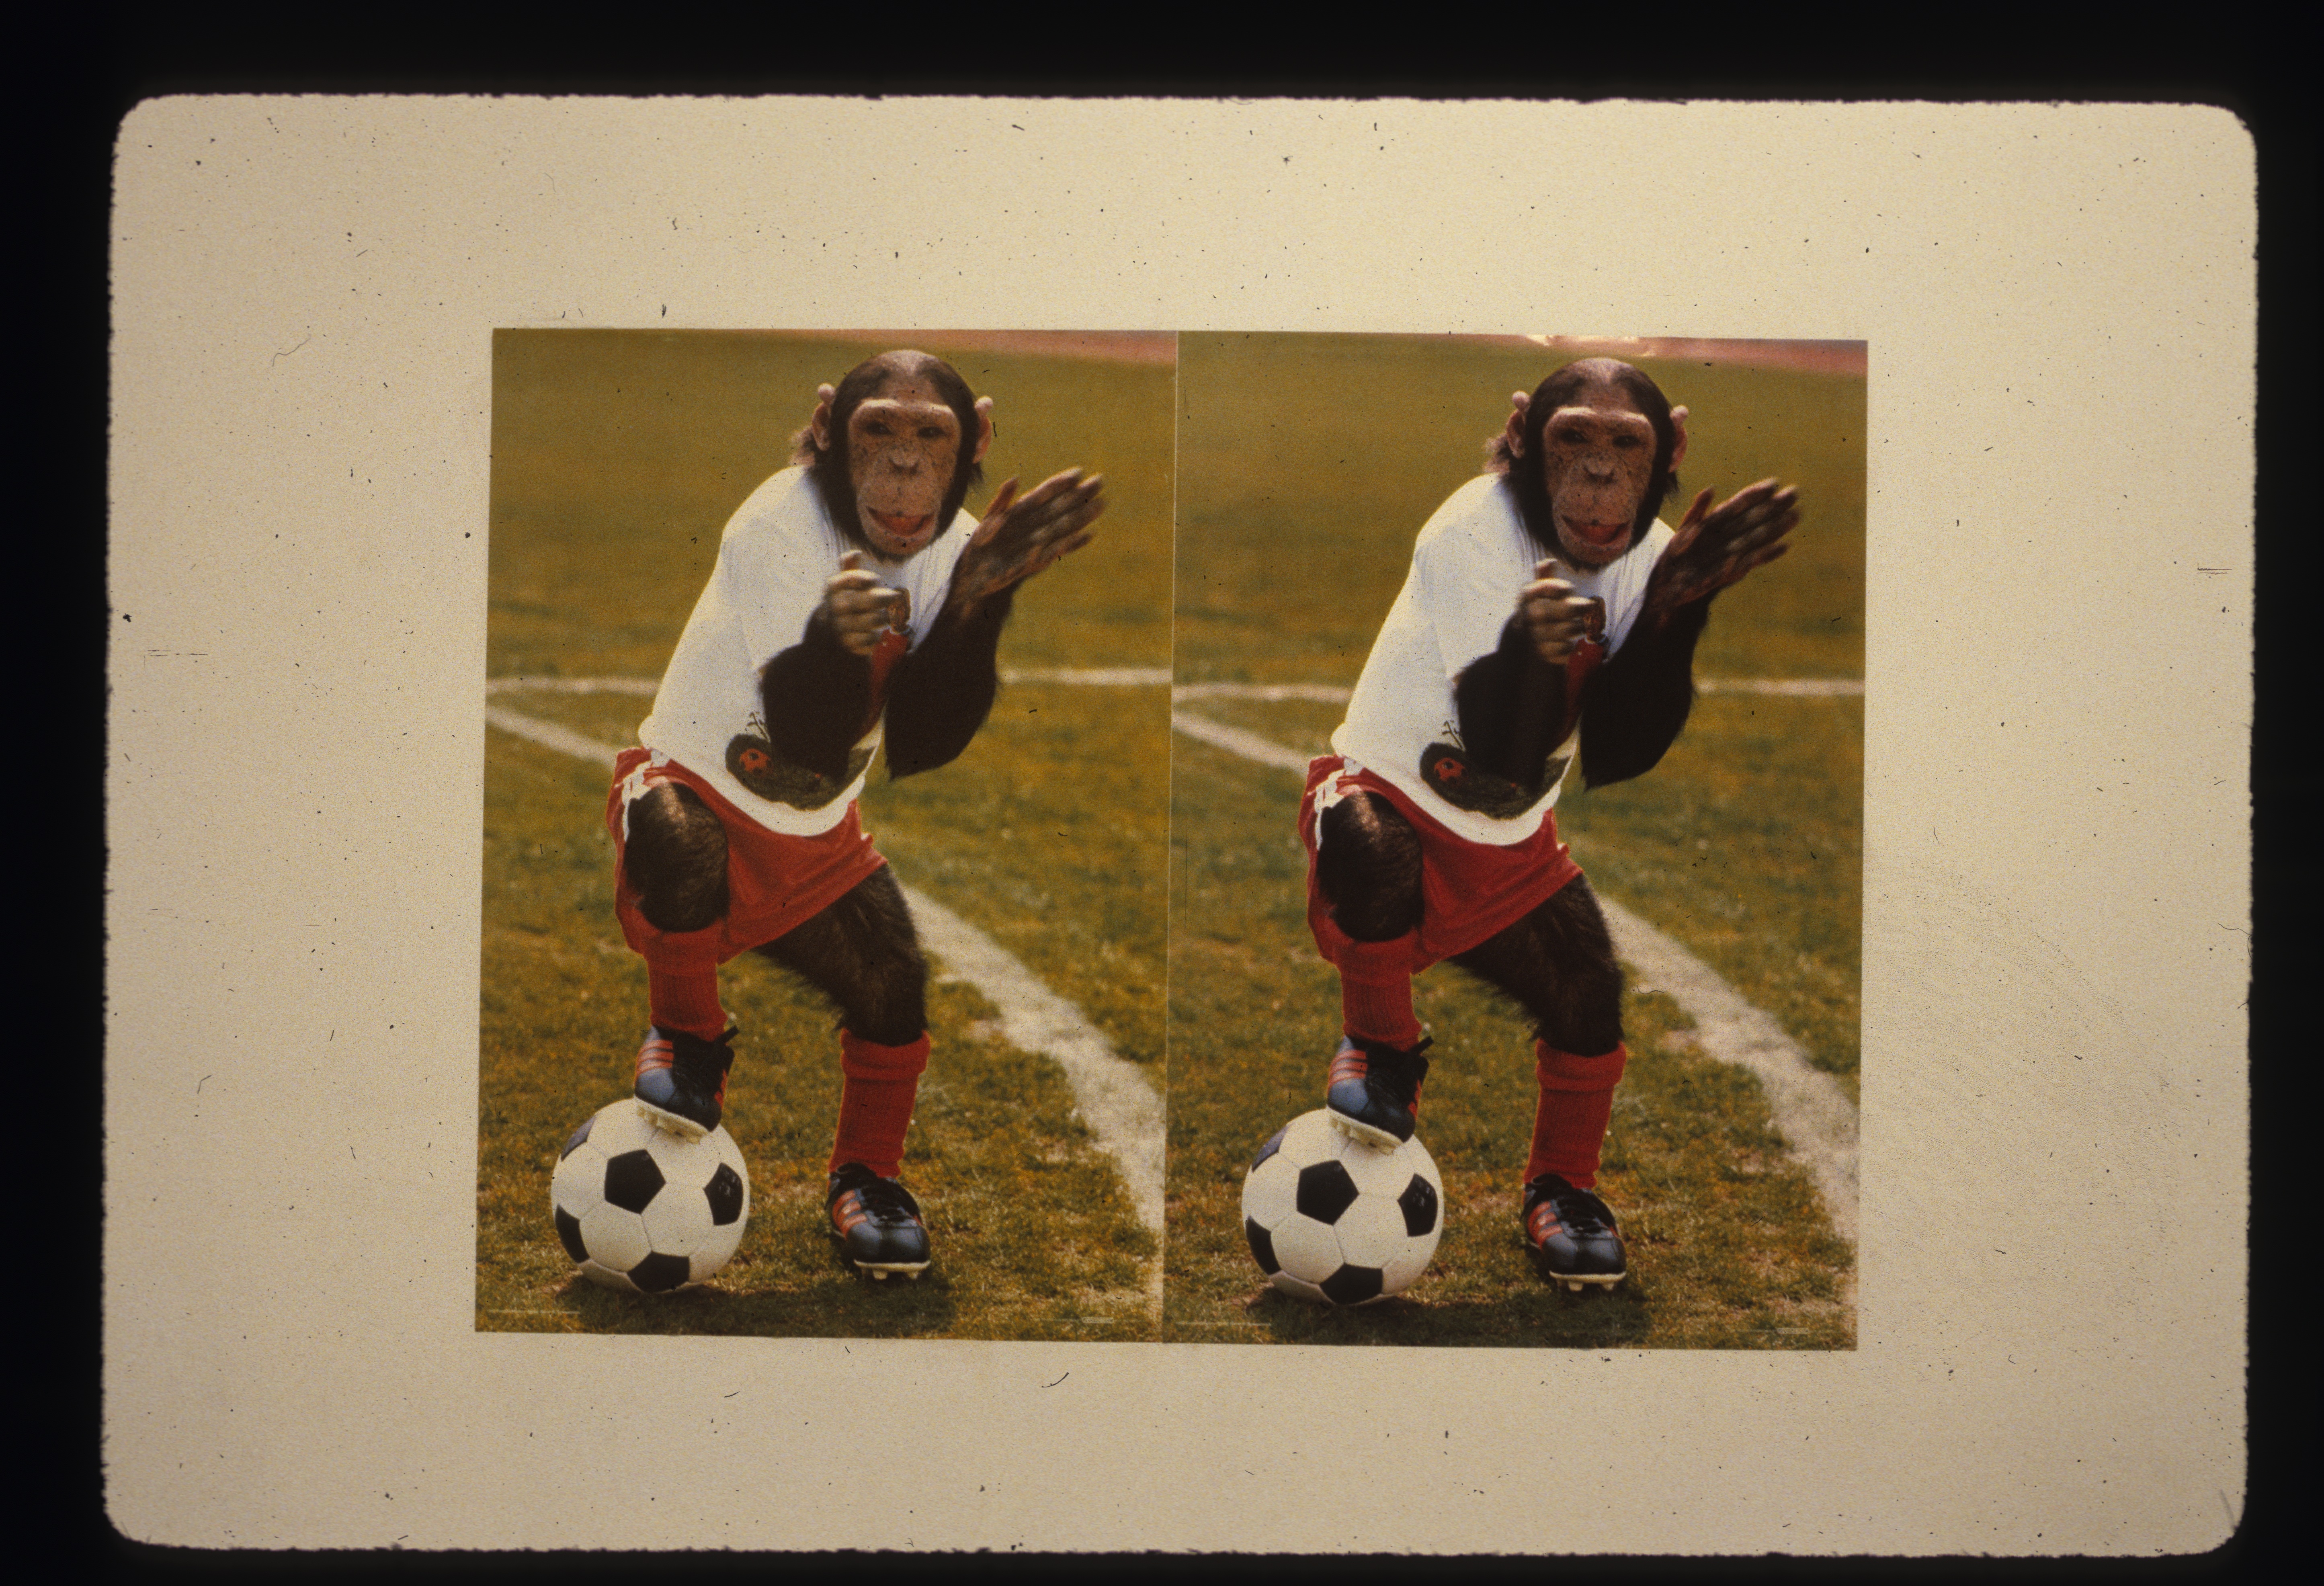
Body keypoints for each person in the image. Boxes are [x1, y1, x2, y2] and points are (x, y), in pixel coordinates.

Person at [606, 349, 1104, 1281]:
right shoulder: (777, 524)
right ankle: (688, 1031)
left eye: (930, 437)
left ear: (977, 441)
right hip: (695, 789)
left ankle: (867, 1179)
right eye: (880, 429)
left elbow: (922, 741)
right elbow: (804, 737)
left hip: (813, 839)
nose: (904, 465)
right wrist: (834, 646)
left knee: (891, 978)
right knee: (680, 838)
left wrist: (979, 605)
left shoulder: (958, 545)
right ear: (831, 425)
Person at [1301, 358, 1798, 1292]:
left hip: (1509, 845)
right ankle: (1381, 1042)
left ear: (1671, 451)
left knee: (1586, 987)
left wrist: (1678, 613)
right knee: (1372, 846)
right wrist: (1530, 657)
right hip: (1389, 794)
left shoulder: (1651, 555)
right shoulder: (1473, 531)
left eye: (1625, 446)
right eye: (1574, 438)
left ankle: (1562, 1189)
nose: (1599, 473)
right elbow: (1498, 753)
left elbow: (1620, 751)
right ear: (1525, 433)